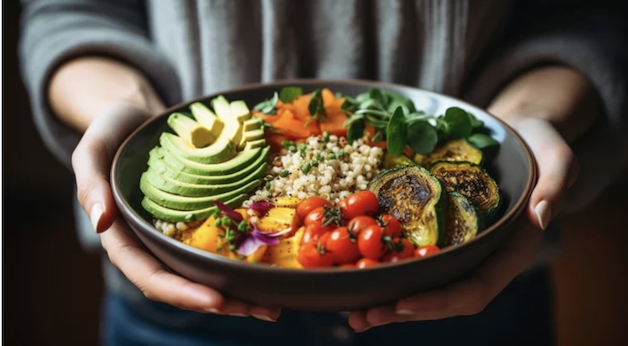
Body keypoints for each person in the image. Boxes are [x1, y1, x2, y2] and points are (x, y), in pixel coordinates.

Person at [19, 0, 627, 345]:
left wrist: (524, 122)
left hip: (475, 295)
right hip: (180, 315)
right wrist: (125, 112)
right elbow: (70, 11)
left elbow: (586, 16)